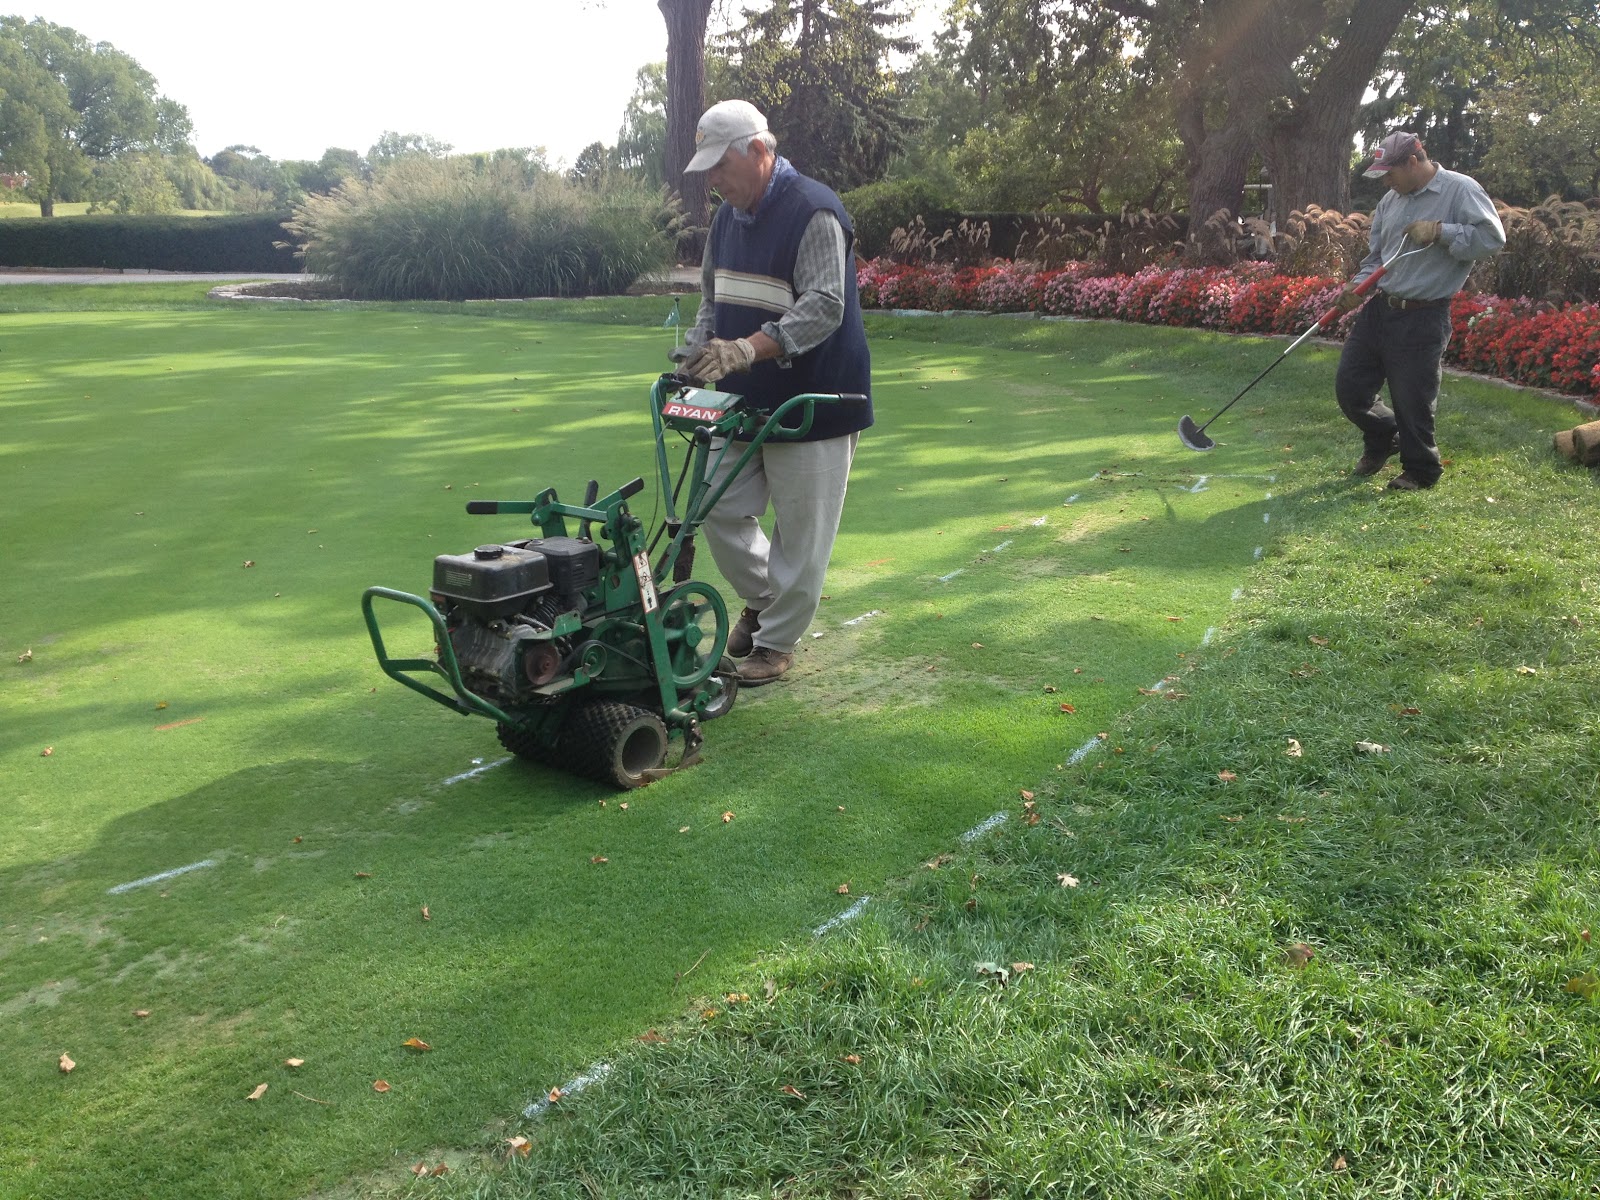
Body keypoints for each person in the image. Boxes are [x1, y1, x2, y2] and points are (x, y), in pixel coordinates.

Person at [677, 99, 873, 686]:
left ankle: (776, 644)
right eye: (707, 170)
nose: (713, 182)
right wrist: (699, 346)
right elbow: (713, 297)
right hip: (742, 400)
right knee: (719, 508)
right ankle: (767, 603)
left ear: (760, 152)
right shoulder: (726, 219)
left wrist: (748, 348)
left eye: (720, 167)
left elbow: (824, 307)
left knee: (801, 532)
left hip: (815, 400)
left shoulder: (814, 210)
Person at [1335, 130, 1505, 490]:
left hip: (1424, 314)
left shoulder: (1461, 190)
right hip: (1381, 309)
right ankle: (1384, 436)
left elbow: (1493, 238)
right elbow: (1377, 258)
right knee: (1350, 387)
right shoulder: (1390, 201)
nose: (1386, 181)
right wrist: (1357, 287)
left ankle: (1421, 470)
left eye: (1390, 172)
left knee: (1412, 398)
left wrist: (1441, 231)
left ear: (1413, 161)